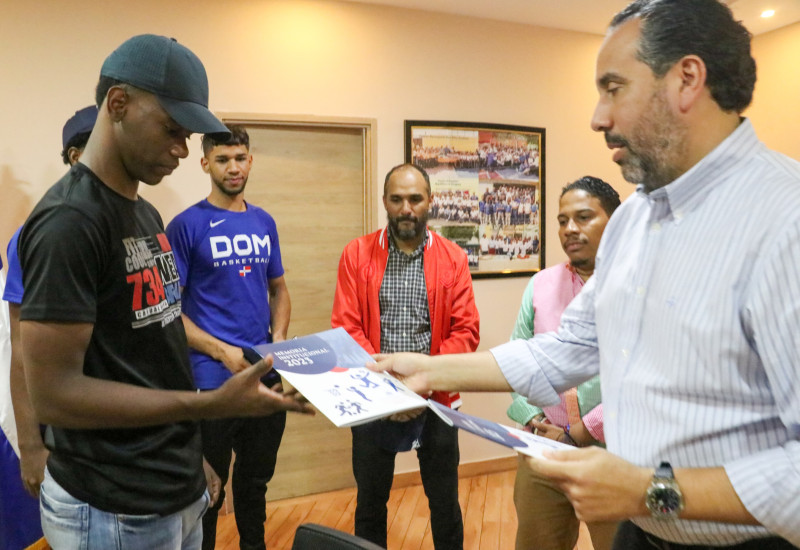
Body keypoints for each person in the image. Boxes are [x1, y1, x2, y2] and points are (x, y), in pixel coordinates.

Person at [370, 1, 800, 547]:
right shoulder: (635, 219)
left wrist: (653, 490)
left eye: (613, 88)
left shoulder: (786, 221)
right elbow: (567, 348)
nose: (598, 117)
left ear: (687, 80)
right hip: (641, 532)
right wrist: (431, 369)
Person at [18, 34, 310, 550]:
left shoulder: (144, 213)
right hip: (113, 505)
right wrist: (209, 406)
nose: (181, 149)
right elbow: (55, 394)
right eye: (172, 130)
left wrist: (188, 456)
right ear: (119, 103)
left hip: (171, 485)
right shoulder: (70, 222)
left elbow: (154, 351)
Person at [331, 163, 479, 549]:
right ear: (385, 202)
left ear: (430, 201)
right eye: (397, 199)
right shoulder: (356, 254)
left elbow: (466, 332)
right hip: (373, 399)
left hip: (436, 401)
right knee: (370, 504)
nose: (406, 208)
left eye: (415, 198)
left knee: (444, 503)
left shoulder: (454, 259)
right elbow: (347, 329)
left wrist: (420, 387)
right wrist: (388, 391)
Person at [166, 125, 290, 550]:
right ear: (205, 164)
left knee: (255, 486)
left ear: (250, 161)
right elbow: (169, 312)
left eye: (240, 158)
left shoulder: (264, 222)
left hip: (263, 378)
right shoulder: (185, 226)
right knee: (208, 494)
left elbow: (279, 290)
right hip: (211, 383)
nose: (233, 167)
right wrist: (222, 351)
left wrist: (279, 342)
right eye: (222, 159)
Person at [1, 105, 98, 550]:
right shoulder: (37, 234)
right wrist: (31, 444)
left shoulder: (142, 223)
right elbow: (20, 345)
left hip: (132, 443)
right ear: (76, 156)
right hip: (70, 436)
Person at [507, 176, 620, 550]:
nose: (569, 229)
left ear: (616, 221)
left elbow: (639, 382)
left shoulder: (633, 287)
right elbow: (516, 355)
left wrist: (579, 433)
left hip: (614, 455)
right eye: (562, 219)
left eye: (583, 217)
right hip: (542, 451)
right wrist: (529, 417)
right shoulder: (541, 284)